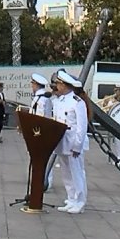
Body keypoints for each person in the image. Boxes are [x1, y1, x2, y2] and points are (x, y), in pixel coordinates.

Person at [51, 70, 88, 213]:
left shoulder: (77, 102)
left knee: (76, 172)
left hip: (73, 142)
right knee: (66, 173)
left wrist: (77, 146)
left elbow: (81, 126)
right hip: (62, 141)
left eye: (59, 84)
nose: (57, 87)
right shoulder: (59, 101)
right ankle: (71, 198)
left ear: (66, 85)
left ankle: (80, 201)